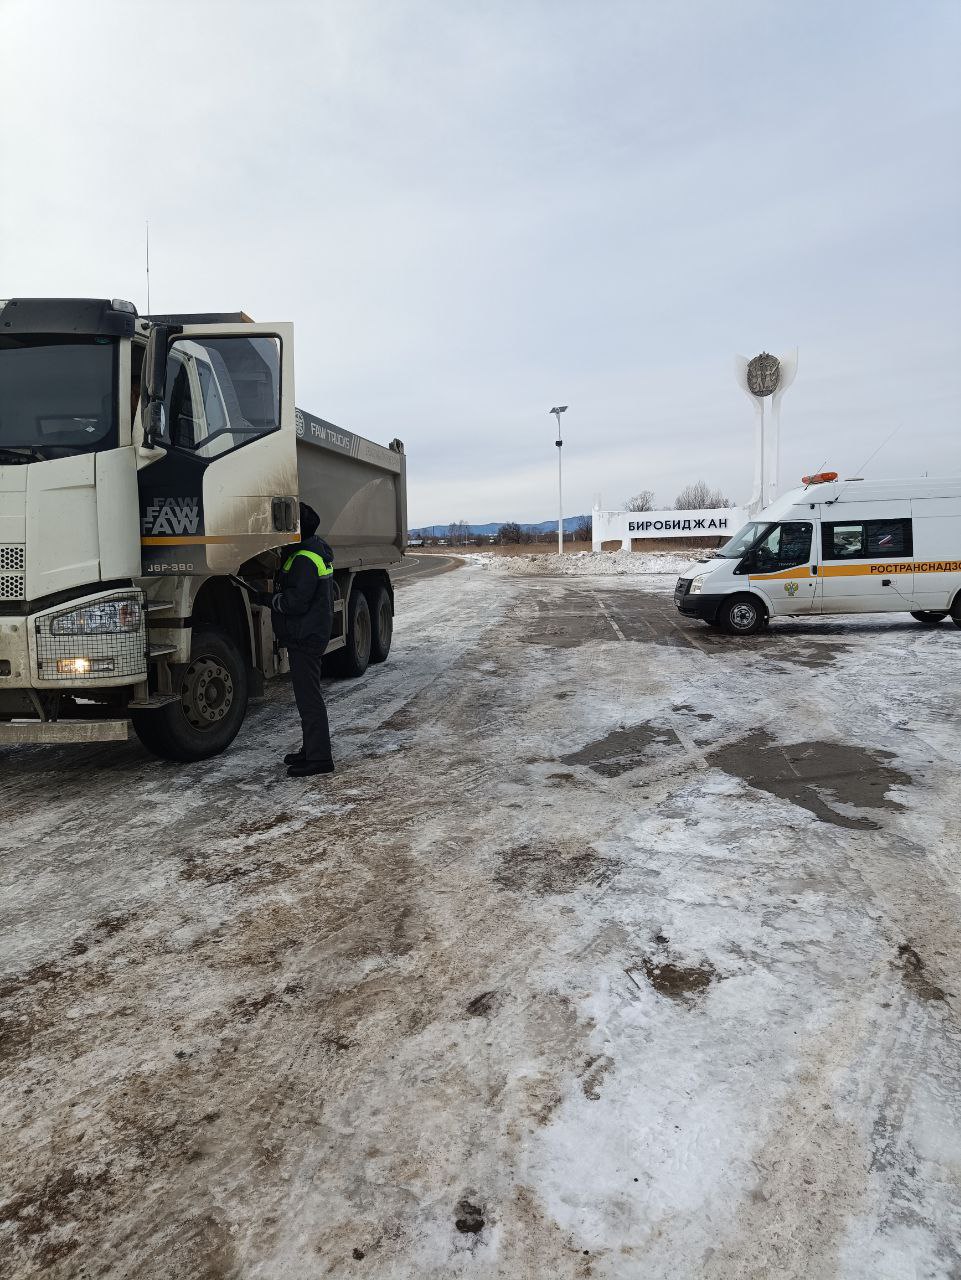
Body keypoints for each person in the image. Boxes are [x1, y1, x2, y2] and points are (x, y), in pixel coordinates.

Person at [260, 503, 336, 777]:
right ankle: (311, 750)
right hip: (308, 632)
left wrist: (268, 600)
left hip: (305, 635)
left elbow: (296, 602)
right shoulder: (314, 550)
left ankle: (319, 758)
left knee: (309, 699)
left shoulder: (304, 558)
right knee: (308, 697)